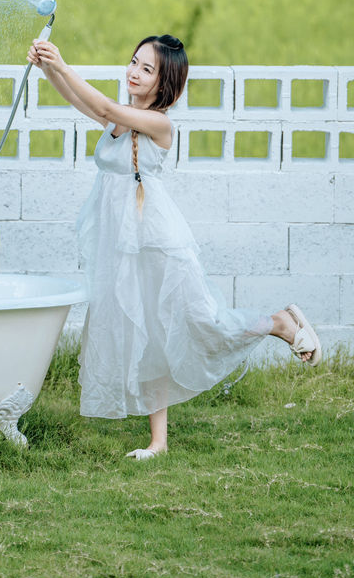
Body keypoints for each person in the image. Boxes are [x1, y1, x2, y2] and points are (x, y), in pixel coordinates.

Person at [27, 33, 322, 460]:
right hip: (125, 243)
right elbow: (91, 107)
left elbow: (106, 108)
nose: (133, 71)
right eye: (133, 61)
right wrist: (48, 69)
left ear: (165, 83)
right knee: (147, 331)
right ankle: (158, 442)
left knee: (203, 322)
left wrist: (63, 63)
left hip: (157, 240)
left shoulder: (159, 122)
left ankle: (278, 322)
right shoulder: (123, 115)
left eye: (147, 69)